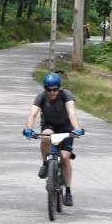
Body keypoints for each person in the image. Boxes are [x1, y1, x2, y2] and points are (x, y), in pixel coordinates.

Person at [22, 72, 85, 206]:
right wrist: (28, 128)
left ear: (59, 88)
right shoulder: (41, 97)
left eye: (55, 89)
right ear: (45, 88)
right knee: (45, 137)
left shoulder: (66, 95)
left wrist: (77, 128)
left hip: (66, 128)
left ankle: (68, 192)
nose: (52, 92)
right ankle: (45, 164)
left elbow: (71, 113)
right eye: (49, 89)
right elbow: (33, 113)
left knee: (65, 157)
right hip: (49, 126)